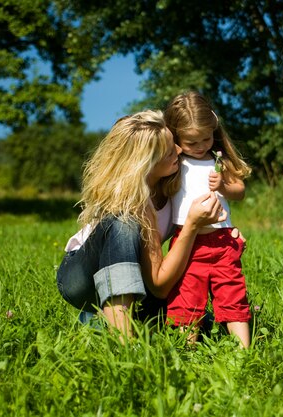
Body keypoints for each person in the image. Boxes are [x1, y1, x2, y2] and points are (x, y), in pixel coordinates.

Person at [56, 110, 226, 339]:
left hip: (137, 276)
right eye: (168, 153)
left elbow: (159, 282)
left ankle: (102, 321)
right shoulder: (132, 200)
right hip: (81, 278)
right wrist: (192, 226)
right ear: (147, 164)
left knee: (198, 322)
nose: (178, 150)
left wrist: (225, 234)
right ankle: (125, 343)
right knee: (123, 223)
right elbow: (159, 285)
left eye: (174, 143)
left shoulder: (174, 178)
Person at [164, 91, 253, 348]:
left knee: (232, 292)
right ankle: (188, 351)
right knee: (186, 296)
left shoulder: (218, 161)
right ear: (176, 137)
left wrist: (224, 185)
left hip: (222, 241)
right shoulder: (175, 163)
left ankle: (243, 351)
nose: (201, 145)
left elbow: (240, 191)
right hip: (189, 243)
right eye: (192, 142)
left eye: (206, 137)